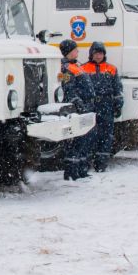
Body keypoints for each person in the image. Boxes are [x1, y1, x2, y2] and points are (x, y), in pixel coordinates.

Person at [79, 41, 122, 172]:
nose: (98, 56)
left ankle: (101, 163)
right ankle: (85, 163)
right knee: (87, 135)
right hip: (90, 105)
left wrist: (118, 104)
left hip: (106, 105)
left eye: (101, 53)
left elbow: (117, 88)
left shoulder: (111, 69)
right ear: (91, 54)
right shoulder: (83, 68)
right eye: (96, 53)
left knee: (106, 135)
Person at [58, 40, 96, 180]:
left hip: (86, 106)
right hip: (78, 108)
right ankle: (72, 172)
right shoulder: (65, 68)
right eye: (75, 50)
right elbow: (68, 88)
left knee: (86, 139)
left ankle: (82, 169)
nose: (78, 52)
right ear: (68, 51)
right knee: (76, 141)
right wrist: (78, 103)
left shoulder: (76, 65)